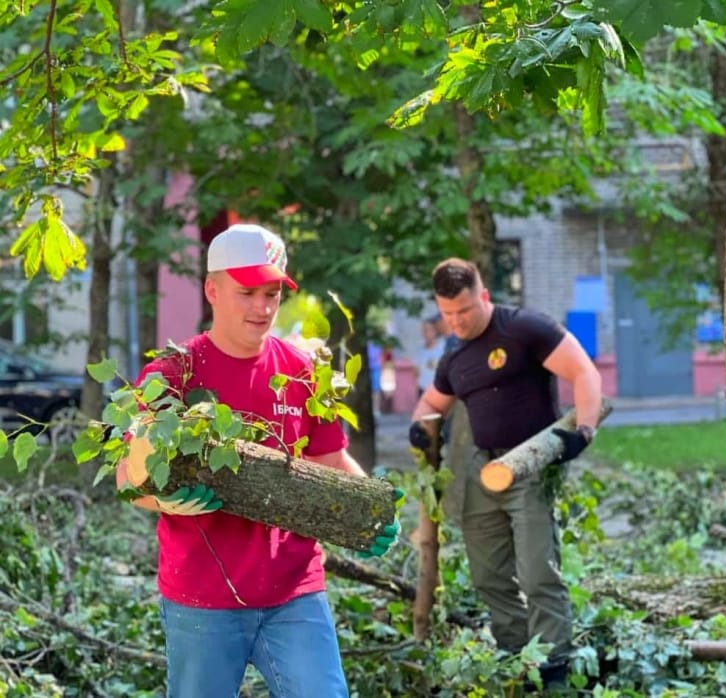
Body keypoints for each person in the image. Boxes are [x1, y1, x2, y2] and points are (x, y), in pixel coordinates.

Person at [116, 223, 401, 698]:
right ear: (212, 290)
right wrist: (163, 501)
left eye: (272, 294)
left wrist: (371, 511)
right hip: (202, 595)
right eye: (247, 293)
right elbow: (128, 477)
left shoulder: (302, 371)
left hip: (294, 589)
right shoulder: (173, 374)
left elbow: (331, 459)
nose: (263, 307)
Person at [409, 257, 601, 690]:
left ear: (484, 296)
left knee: (537, 572)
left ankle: (553, 667)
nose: (457, 321)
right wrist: (419, 428)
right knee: (488, 575)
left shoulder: (525, 328)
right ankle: (517, 660)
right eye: (448, 314)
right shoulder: (454, 357)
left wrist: (584, 430)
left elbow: (583, 371)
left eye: (465, 310)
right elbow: (430, 404)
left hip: (531, 464)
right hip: (483, 469)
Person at [414, 316, 446, 397]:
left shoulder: (443, 348)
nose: (427, 333)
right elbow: (416, 372)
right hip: (423, 390)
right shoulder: (420, 351)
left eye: (429, 330)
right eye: (424, 330)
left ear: (435, 331)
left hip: (439, 391)